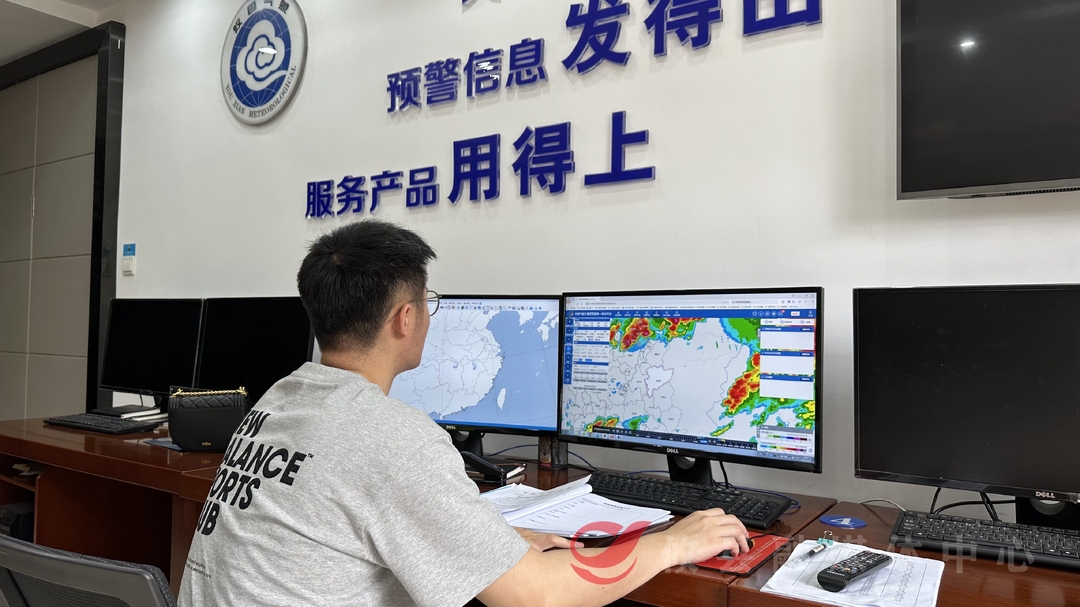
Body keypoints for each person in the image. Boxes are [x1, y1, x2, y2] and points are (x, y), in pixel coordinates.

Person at [179, 219, 749, 607]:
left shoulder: (280, 399)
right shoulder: (390, 436)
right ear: (405, 318)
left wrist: (488, 541)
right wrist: (674, 543)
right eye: (427, 303)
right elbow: (538, 596)